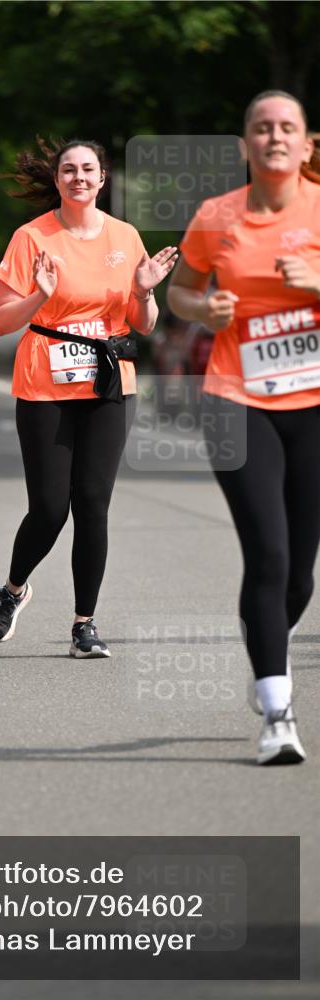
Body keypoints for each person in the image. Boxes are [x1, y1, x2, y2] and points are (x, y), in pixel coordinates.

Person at [168, 92, 320, 766]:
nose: (274, 137)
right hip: (236, 399)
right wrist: (203, 309)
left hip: (312, 404)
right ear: (244, 145)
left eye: (286, 128)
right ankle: (277, 712)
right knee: (268, 555)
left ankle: (263, 642)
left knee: (299, 578)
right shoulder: (215, 216)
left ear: (307, 144)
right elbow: (176, 290)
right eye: (261, 128)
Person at [0, 138, 177, 656]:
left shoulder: (124, 235)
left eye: (88, 169)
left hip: (109, 379)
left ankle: (83, 625)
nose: (79, 178)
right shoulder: (32, 237)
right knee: (49, 508)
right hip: (45, 380)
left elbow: (144, 324)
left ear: (102, 177)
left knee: (93, 504)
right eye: (69, 170)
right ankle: (13, 590)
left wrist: (144, 290)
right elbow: (1, 322)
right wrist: (40, 295)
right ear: (58, 179)